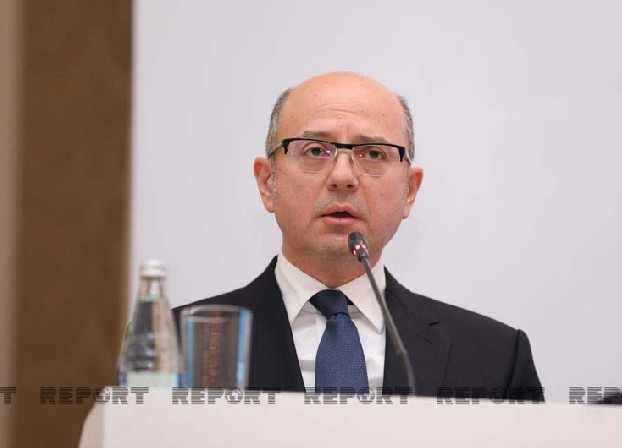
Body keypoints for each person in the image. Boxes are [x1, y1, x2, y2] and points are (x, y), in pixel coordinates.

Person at [174, 72, 543, 400]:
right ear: (268, 182)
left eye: (373, 154)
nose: (343, 177)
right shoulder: (177, 347)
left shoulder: (495, 358)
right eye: (315, 150)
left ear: (410, 191)